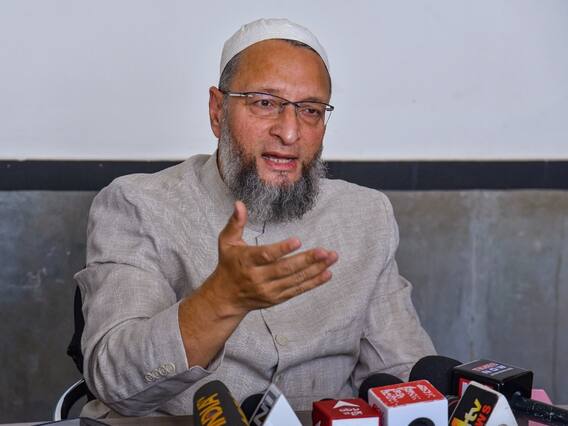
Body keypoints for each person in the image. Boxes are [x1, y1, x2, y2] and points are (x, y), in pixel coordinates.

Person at [75, 18, 435, 418]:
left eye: (310, 110)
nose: (289, 132)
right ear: (217, 111)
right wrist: (221, 300)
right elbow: (116, 382)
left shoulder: (365, 215)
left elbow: (402, 372)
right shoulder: (139, 205)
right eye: (264, 103)